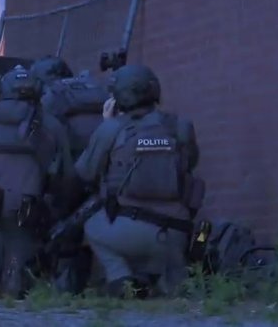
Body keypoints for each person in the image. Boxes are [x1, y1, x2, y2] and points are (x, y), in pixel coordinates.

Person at [75, 64, 202, 298]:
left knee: (91, 224)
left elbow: (85, 171)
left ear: (118, 98)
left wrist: (106, 124)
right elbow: (190, 164)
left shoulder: (112, 129)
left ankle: (120, 279)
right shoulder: (180, 127)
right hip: (178, 233)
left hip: (128, 231)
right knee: (175, 288)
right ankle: (169, 282)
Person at [0, 66, 75, 299]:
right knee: (17, 242)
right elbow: (66, 171)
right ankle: (11, 289)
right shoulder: (51, 124)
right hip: (25, 203)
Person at [30, 56, 110, 293]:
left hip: (70, 172)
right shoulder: (96, 89)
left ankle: (63, 283)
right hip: (102, 171)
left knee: (59, 223)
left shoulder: (49, 97)